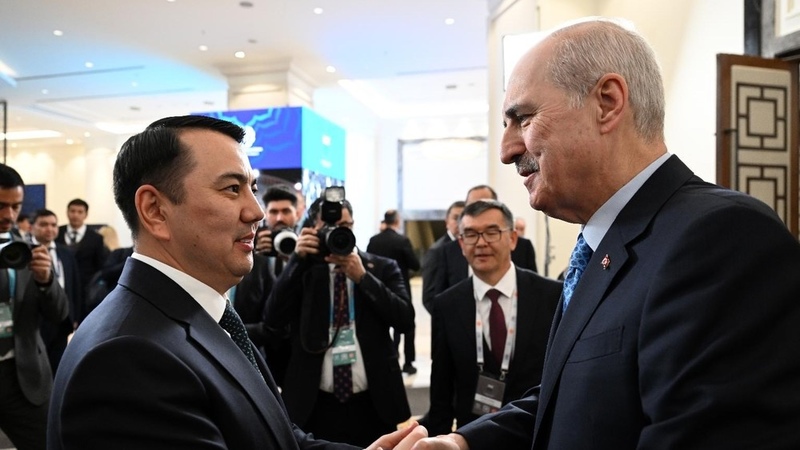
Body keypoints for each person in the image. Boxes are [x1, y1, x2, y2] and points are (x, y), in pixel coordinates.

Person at [409, 18, 800, 450]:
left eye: (523, 118)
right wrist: (463, 444)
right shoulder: (599, 247)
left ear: (608, 103)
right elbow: (570, 399)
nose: (506, 150)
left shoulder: (722, 239)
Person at [47, 115, 424, 450]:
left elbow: (279, 436)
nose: (256, 212)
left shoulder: (203, 314)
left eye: (252, 189)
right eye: (232, 189)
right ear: (155, 210)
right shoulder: (127, 358)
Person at [264, 194, 414, 447]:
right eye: (329, 227)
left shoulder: (381, 267)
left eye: (345, 226)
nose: (338, 232)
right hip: (314, 403)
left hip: (373, 401)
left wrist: (363, 278)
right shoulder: (304, 271)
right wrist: (297, 262)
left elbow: (405, 320)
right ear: (314, 230)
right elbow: (273, 318)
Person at [427, 199, 560, 436]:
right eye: (470, 234)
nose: (481, 243)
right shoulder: (447, 305)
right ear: (461, 243)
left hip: (536, 432)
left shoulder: (551, 295)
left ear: (512, 238)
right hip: (472, 435)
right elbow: (441, 389)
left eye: (491, 232)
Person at [0, 165, 69, 450]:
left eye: (16, 206)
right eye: (1, 206)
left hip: (24, 376)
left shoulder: (25, 250)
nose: (9, 215)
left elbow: (60, 314)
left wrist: (45, 280)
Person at [424, 186, 538, 313]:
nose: (481, 243)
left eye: (486, 205)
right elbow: (436, 299)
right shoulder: (447, 251)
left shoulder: (523, 247)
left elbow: (533, 291)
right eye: (473, 207)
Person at [366, 209, 421, 374]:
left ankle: (389, 355)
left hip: (377, 288)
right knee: (406, 324)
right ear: (397, 221)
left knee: (379, 324)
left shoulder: (374, 240)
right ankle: (408, 362)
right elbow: (415, 265)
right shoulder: (402, 240)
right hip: (400, 287)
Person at [29, 209, 82, 373]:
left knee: (59, 367)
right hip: (36, 322)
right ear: (32, 227)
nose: (49, 229)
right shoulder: (25, 253)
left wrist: (75, 316)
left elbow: (74, 286)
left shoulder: (65, 252)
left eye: (53, 225)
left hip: (62, 320)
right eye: (44, 224)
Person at [55, 198, 109, 322]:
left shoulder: (96, 238)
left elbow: (100, 265)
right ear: (67, 212)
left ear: (86, 214)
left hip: (85, 290)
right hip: (61, 287)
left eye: (80, 212)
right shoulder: (57, 233)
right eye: (72, 211)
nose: (75, 215)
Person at [421, 200, 464, 313]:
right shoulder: (437, 251)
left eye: (463, 218)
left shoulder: (470, 246)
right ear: (447, 222)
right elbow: (429, 297)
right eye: (455, 218)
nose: (460, 223)